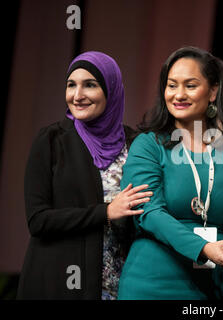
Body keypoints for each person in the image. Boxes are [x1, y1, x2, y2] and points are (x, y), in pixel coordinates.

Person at [18, 51, 152, 300]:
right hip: (61, 283)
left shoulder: (135, 144)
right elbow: (38, 220)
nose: (77, 96)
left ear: (111, 90)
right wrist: (106, 211)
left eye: (90, 85)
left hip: (122, 283)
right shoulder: (52, 140)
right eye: (71, 85)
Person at [117, 46, 223, 300]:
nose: (178, 94)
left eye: (190, 85)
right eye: (172, 85)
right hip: (152, 283)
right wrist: (204, 248)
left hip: (213, 287)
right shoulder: (148, 145)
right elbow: (148, 213)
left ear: (213, 91)